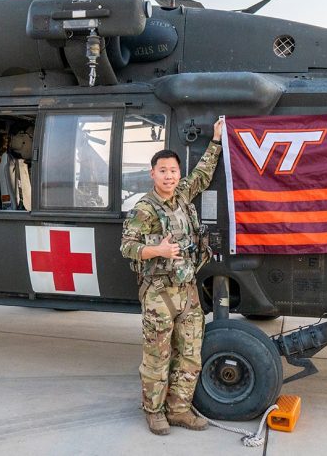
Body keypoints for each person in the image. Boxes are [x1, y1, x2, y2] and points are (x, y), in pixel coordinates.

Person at [120, 119, 223, 436]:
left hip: (188, 292)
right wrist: (158, 249)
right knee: (157, 359)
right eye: (162, 170)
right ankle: (154, 412)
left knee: (191, 356)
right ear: (153, 174)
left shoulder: (182, 194)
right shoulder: (145, 209)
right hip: (159, 295)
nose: (169, 176)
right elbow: (127, 246)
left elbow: (203, 175)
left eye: (173, 171)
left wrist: (216, 140)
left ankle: (178, 410)